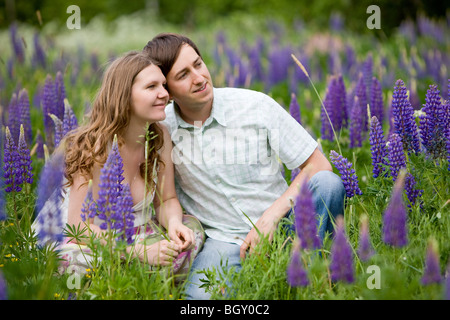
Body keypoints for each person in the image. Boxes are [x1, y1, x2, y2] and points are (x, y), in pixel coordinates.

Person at [143, 33, 346, 299]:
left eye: (199, 64)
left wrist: (270, 217)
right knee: (201, 300)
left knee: (329, 184)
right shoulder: (160, 129)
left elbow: (318, 165)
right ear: (166, 90)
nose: (199, 77)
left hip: (286, 223)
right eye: (183, 75)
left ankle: (312, 271)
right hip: (224, 240)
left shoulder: (254, 106)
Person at [32, 51, 205, 278]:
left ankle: (138, 276)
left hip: (135, 232)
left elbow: (167, 200)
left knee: (191, 230)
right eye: (151, 87)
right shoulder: (93, 146)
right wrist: (138, 252)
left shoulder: (159, 136)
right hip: (81, 241)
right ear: (124, 95)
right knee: (73, 264)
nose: (164, 94)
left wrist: (173, 223)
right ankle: (137, 274)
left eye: (163, 85)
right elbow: (78, 228)